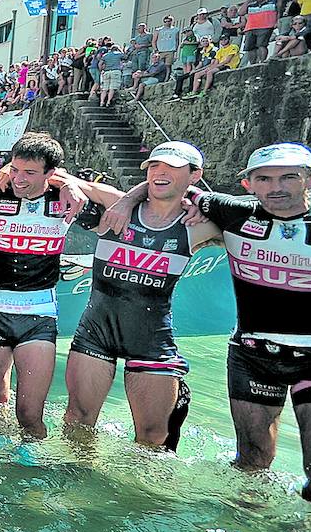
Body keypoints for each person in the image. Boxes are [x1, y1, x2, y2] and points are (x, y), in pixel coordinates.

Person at [182, 144, 311, 512]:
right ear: (247, 184)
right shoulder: (234, 214)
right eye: (264, 178)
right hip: (252, 356)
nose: (277, 187)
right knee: (250, 461)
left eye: (290, 177)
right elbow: (175, 186)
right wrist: (128, 201)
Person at [66, 142, 217, 450]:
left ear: (195, 174)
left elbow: (261, 220)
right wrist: (128, 199)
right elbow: (60, 178)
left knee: (152, 438)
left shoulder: (198, 225)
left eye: (173, 168)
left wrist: (202, 200)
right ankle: (73, 490)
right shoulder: (115, 207)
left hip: (151, 341)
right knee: (77, 421)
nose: (160, 174)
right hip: (95, 333)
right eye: (154, 167)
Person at [0, 133, 111, 438]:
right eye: (16, 169)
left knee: (30, 413)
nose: (20, 179)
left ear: (51, 173)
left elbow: (119, 202)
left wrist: (73, 184)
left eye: (30, 173)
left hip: (38, 314)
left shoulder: (65, 200)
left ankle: (31, 466)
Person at [240, 0, 278, 65]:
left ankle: (262, 61)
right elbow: (241, 12)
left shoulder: (273, 0)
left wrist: (277, 22)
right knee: (250, 47)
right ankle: (253, 64)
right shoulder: (251, 5)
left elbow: (279, 9)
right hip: (250, 27)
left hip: (266, 26)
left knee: (262, 45)